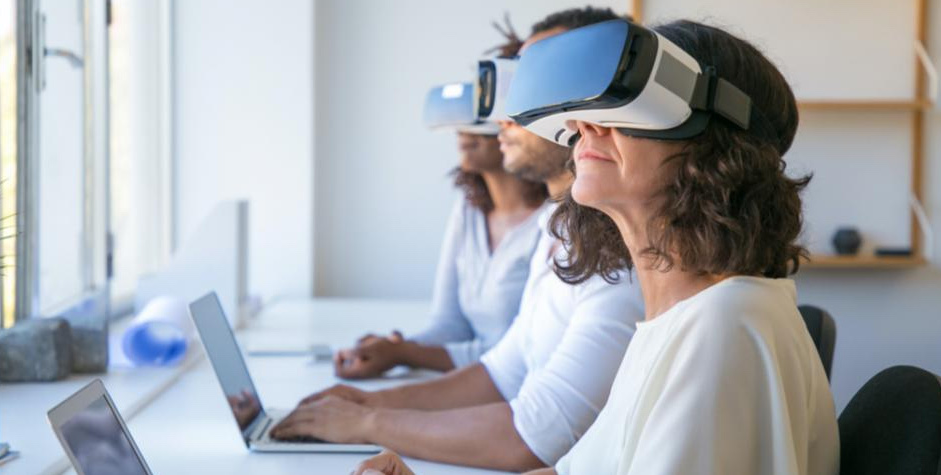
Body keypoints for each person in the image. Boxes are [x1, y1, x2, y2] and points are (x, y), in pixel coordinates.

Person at [352, 18, 840, 475]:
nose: (584, 126)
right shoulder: (674, 322)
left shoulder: (722, 330)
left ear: (715, 142)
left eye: (625, 106)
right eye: (584, 114)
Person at [270, 7, 644, 472]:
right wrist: (366, 406)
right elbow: (501, 373)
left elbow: (537, 435)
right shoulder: (561, 228)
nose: (504, 112)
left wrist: (369, 424)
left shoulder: (624, 257)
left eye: (536, 85)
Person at [333, 129, 549, 378]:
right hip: (476, 381)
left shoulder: (553, 222)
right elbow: (451, 325)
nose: (464, 130)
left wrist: (405, 353)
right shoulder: (469, 209)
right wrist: (390, 349)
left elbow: (519, 356)